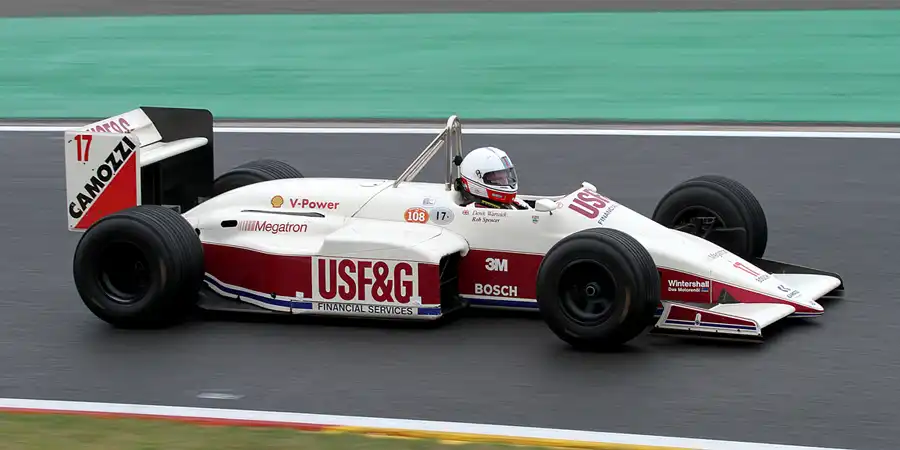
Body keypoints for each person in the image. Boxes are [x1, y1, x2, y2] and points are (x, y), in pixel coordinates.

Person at [455, 146, 529, 209]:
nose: (505, 182)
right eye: (498, 179)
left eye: (506, 177)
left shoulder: (517, 203)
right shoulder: (473, 211)